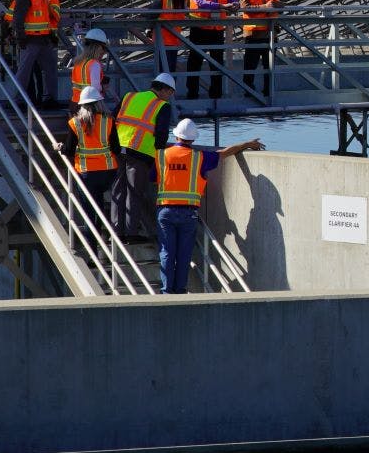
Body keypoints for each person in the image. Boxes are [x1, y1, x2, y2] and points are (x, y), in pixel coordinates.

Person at [156, 118, 263, 294]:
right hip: (188, 213)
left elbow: (154, 177)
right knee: (183, 254)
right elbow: (225, 153)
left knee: (167, 252)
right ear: (193, 139)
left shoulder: (161, 155)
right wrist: (247, 143)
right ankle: (180, 290)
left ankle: (167, 291)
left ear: (176, 136)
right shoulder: (200, 157)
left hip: (165, 211)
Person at [111, 73, 177, 243]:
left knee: (118, 191)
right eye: (170, 93)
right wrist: (159, 156)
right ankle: (131, 233)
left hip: (118, 149)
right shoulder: (162, 105)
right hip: (140, 154)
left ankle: (116, 233)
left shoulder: (129, 96)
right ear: (163, 89)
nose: (170, 97)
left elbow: (112, 119)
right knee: (134, 193)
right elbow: (161, 135)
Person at [59, 85, 120, 218]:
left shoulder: (75, 123)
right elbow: (116, 148)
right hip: (108, 172)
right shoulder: (109, 121)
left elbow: (68, 150)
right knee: (99, 202)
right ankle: (101, 233)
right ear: (99, 103)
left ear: (81, 105)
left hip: (86, 172)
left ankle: (91, 238)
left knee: (89, 210)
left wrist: (59, 147)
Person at [11, 0, 62, 109]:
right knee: (24, 71)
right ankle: (19, 100)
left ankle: (50, 99)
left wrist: (52, 35)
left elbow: (46, 17)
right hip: (30, 40)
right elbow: (18, 16)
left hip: (44, 39)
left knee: (51, 69)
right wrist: (20, 37)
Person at [186, 0, 237, 101]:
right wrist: (223, 6)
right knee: (194, 64)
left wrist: (235, 5)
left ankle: (216, 97)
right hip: (199, 29)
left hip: (217, 30)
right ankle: (192, 96)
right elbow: (200, 2)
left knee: (217, 65)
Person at [238, 0, 281, 96]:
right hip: (254, 34)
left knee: (269, 67)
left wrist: (279, 5)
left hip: (270, 33)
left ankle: (268, 93)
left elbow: (275, 3)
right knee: (250, 67)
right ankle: (248, 93)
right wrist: (266, 6)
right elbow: (245, 8)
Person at [154, 0, 193, 73]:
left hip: (174, 41)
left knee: (171, 73)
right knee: (165, 74)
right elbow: (150, 16)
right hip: (163, 42)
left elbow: (183, 14)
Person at [69, 28, 110, 110]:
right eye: (104, 48)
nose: (104, 52)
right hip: (89, 106)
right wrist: (103, 87)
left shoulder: (78, 62)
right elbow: (95, 89)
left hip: (75, 104)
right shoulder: (94, 64)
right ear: (98, 47)